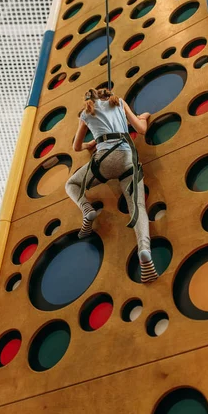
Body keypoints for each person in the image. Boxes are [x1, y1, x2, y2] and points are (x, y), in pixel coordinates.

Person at [65, 87, 158, 284]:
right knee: (138, 207)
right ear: (107, 95)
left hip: (103, 161)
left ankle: (86, 209)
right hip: (127, 160)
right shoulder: (119, 103)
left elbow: (75, 146)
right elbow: (141, 129)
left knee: (71, 184)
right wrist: (145, 116)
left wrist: (90, 145)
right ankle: (144, 250)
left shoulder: (86, 113)